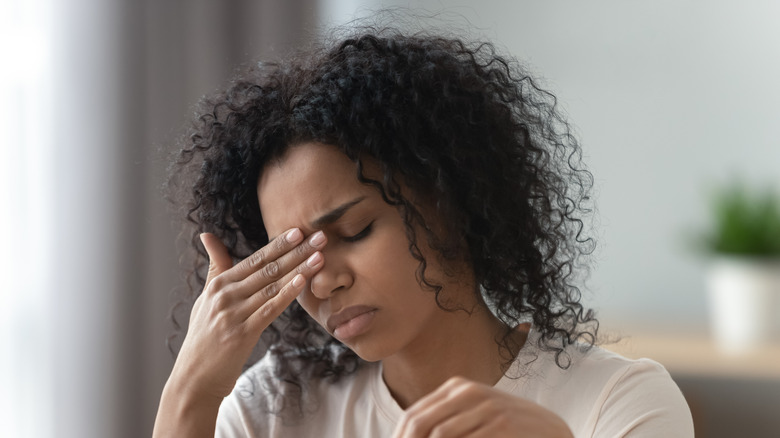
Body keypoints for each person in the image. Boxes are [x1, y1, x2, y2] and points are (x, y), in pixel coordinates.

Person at [154, 24, 694, 438]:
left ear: (452, 199)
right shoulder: (274, 409)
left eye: (355, 229)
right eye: (294, 258)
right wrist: (191, 391)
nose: (321, 283)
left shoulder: (617, 403)